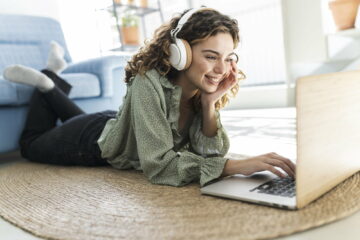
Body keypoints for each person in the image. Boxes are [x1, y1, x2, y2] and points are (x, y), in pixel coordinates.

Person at [3, 7, 295, 187]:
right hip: (91, 142)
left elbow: (209, 153)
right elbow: (160, 167)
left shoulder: (200, 91)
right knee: (30, 145)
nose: (222, 69)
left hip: (117, 125)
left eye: (229, 57)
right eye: (210, 56)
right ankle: (46, 80)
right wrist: (234, 166)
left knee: (83, 121)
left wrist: (208, 105)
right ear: (181, 52)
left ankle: (53, 76)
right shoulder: (148, 83)